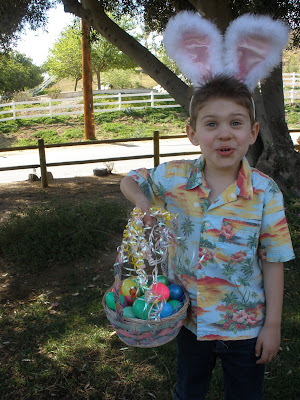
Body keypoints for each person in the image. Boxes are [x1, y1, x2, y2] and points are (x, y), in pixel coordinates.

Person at [120, 12, 295, 400]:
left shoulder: (265, 192)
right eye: (211, 124)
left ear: (252, 132)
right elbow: (130, 180)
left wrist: (273, 326)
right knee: (189, 391)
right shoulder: (173, 177)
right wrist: (142, 201)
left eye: (235, 123)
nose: (224, 134)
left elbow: (273, 259)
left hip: (245, 326)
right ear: (192, 132)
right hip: (188, 322)